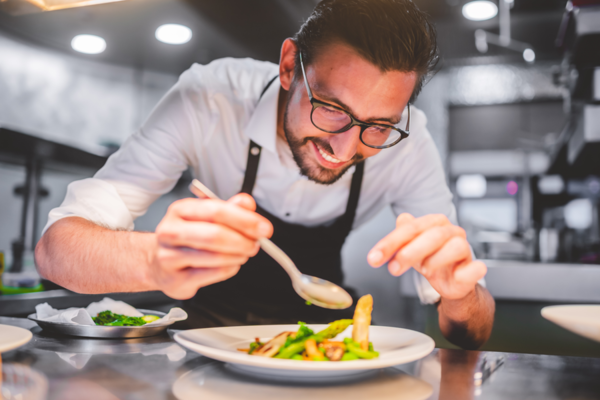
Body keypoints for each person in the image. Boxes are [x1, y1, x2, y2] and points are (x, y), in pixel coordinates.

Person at [35, 0, 494, 349]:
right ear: (290, 66)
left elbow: (473, 332)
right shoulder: (208, 99)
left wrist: (460, 295)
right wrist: (153, 261)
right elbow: (55, 251)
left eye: (378, 126)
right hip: (206, 346)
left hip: (322, 352)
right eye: (332, 109)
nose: (345, 148)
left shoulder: (410, 146)